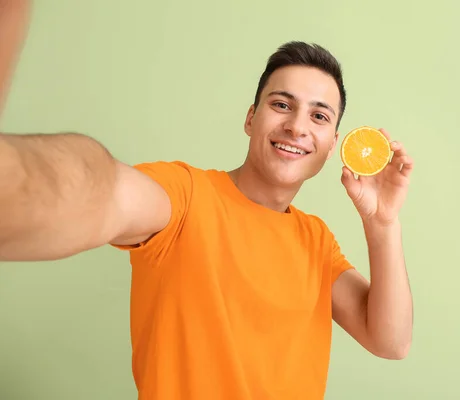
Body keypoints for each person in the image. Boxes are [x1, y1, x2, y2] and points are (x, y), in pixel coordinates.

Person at [0, 1, 415, 399]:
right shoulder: (184, 197)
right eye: (281, 104)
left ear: (331, 146)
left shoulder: (316, 241)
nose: (296, 126)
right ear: (251, 118)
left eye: (319, 116)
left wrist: (382, 224)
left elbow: (390, 340)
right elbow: (103, 190)